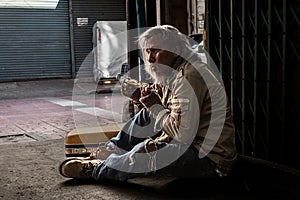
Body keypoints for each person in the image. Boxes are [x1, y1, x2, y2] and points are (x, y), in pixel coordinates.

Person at [59, 25, 237, 181]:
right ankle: (111, 150)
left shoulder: (189, 76)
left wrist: (154, 106)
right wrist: (140, 95)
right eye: (148, 51)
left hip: (209, 160)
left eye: (156, 51)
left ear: (175, 50)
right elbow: (161, 100)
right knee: (145, 115)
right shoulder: (171, 72)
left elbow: (182, 133)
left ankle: (99, 168)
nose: (150, 58)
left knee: (148, 151)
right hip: (186, 144)